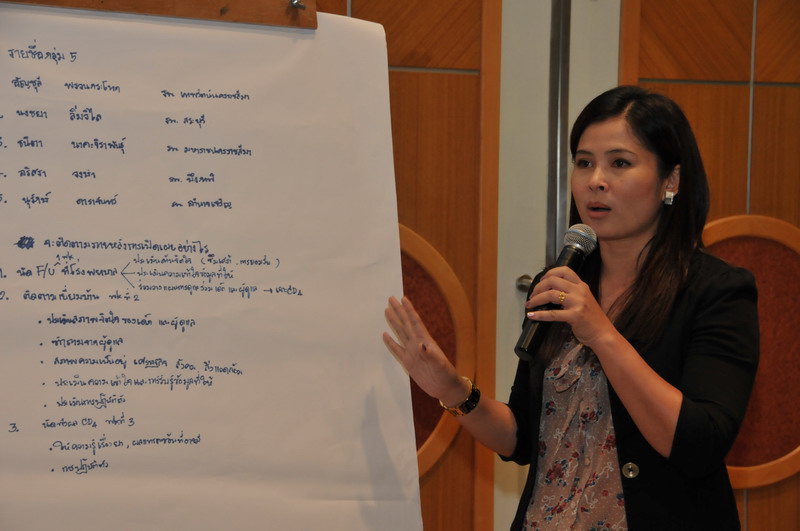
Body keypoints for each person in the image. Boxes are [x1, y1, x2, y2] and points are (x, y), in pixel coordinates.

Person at [383, 85, 759, 530]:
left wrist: (601, 333)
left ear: (670, 181)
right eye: (584, 162)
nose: (595, 180)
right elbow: (523, 438)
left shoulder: (717, 291)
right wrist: (451, 389)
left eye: (620, 163)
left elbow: (700, 445)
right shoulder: (560, 281)